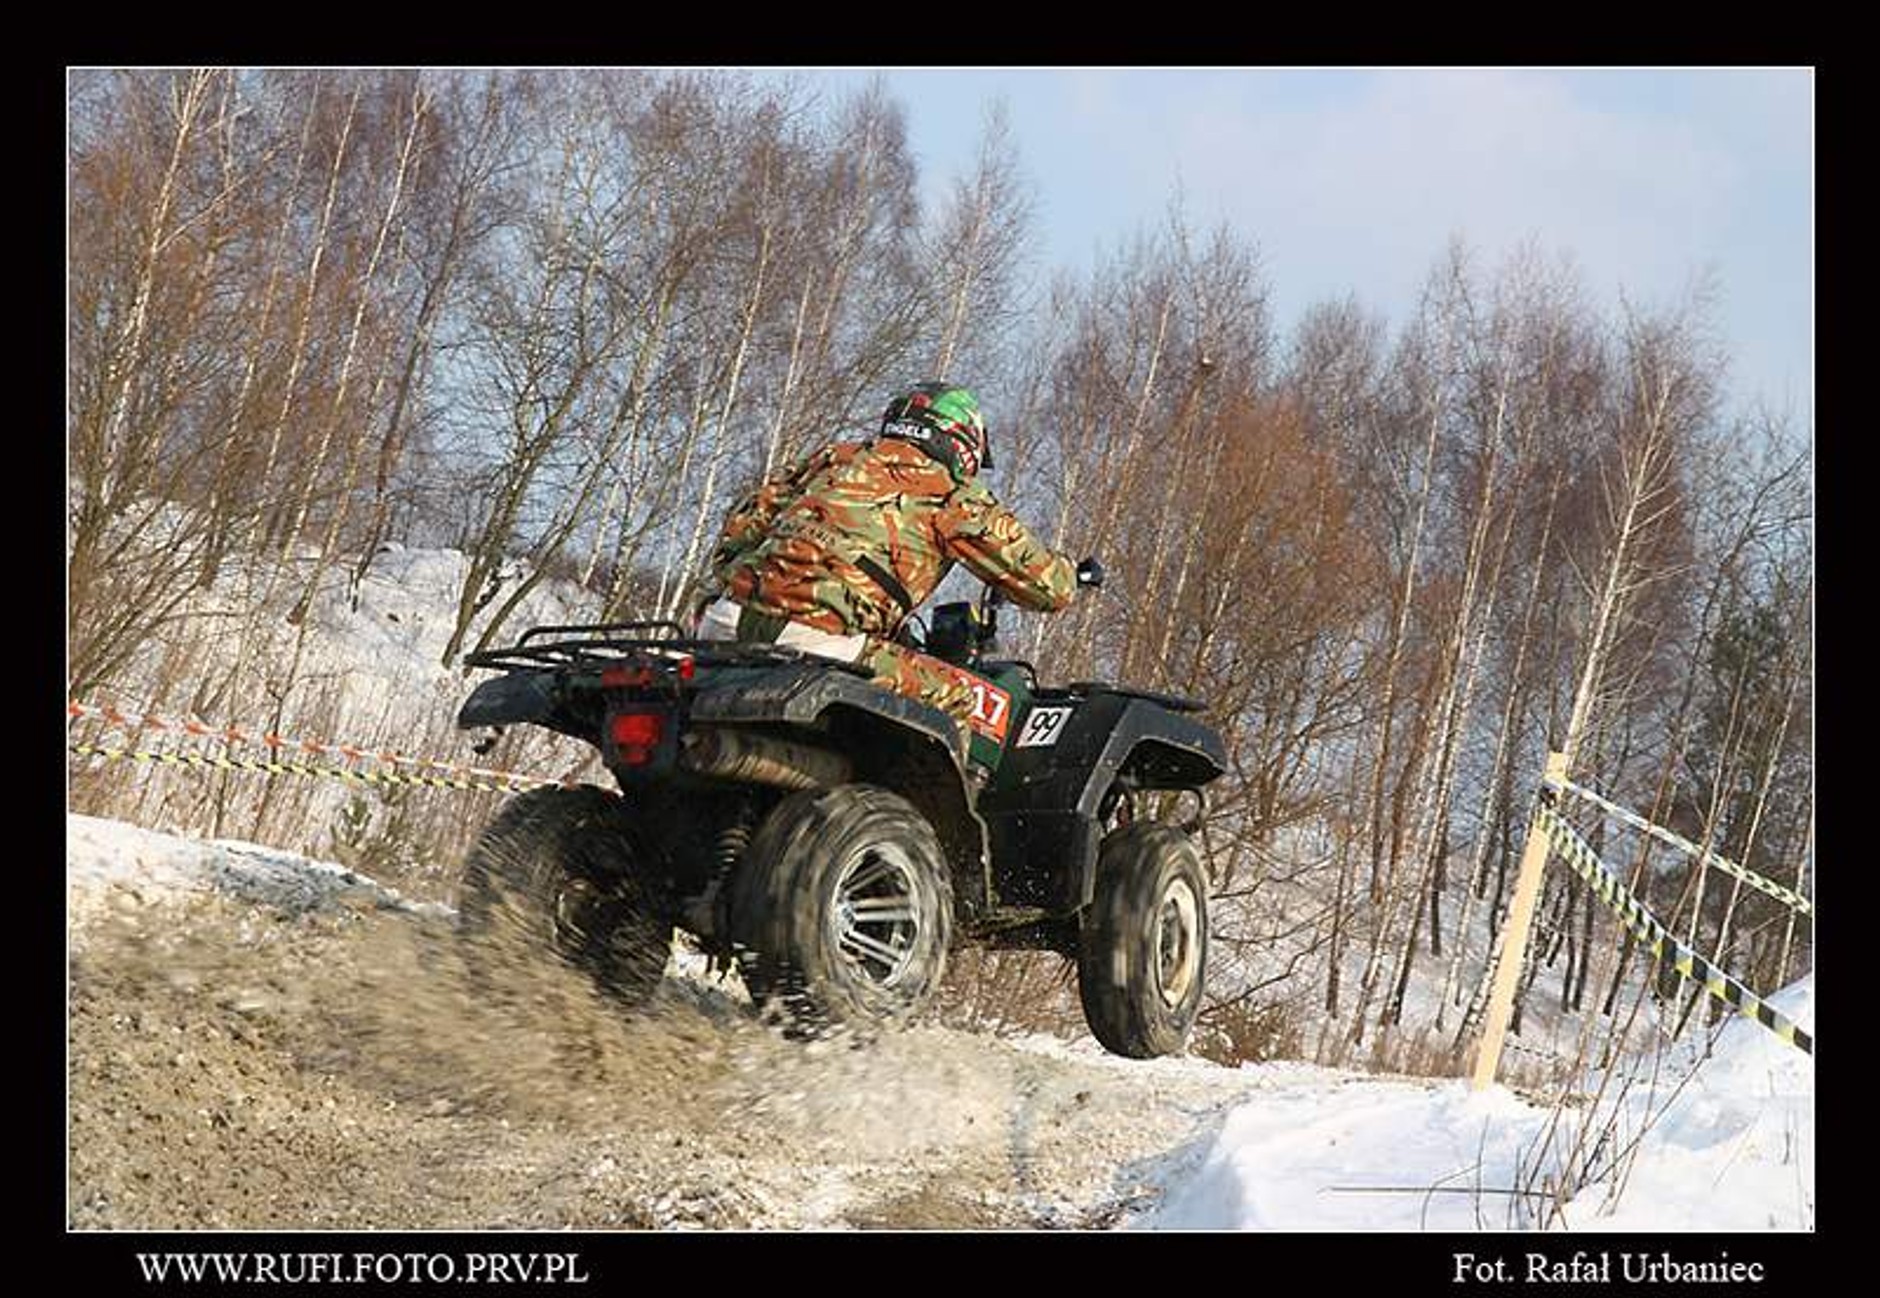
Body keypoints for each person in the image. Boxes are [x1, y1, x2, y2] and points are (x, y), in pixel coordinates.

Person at [697, 382, 1079, 741]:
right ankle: (922, 811)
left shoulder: (833, 458)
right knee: (961, 697)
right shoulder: (954, 495)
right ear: (963, 443)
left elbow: (739, 530)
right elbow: (1049, 588)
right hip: (823, 644)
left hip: (723, 626)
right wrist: (1073, 574)